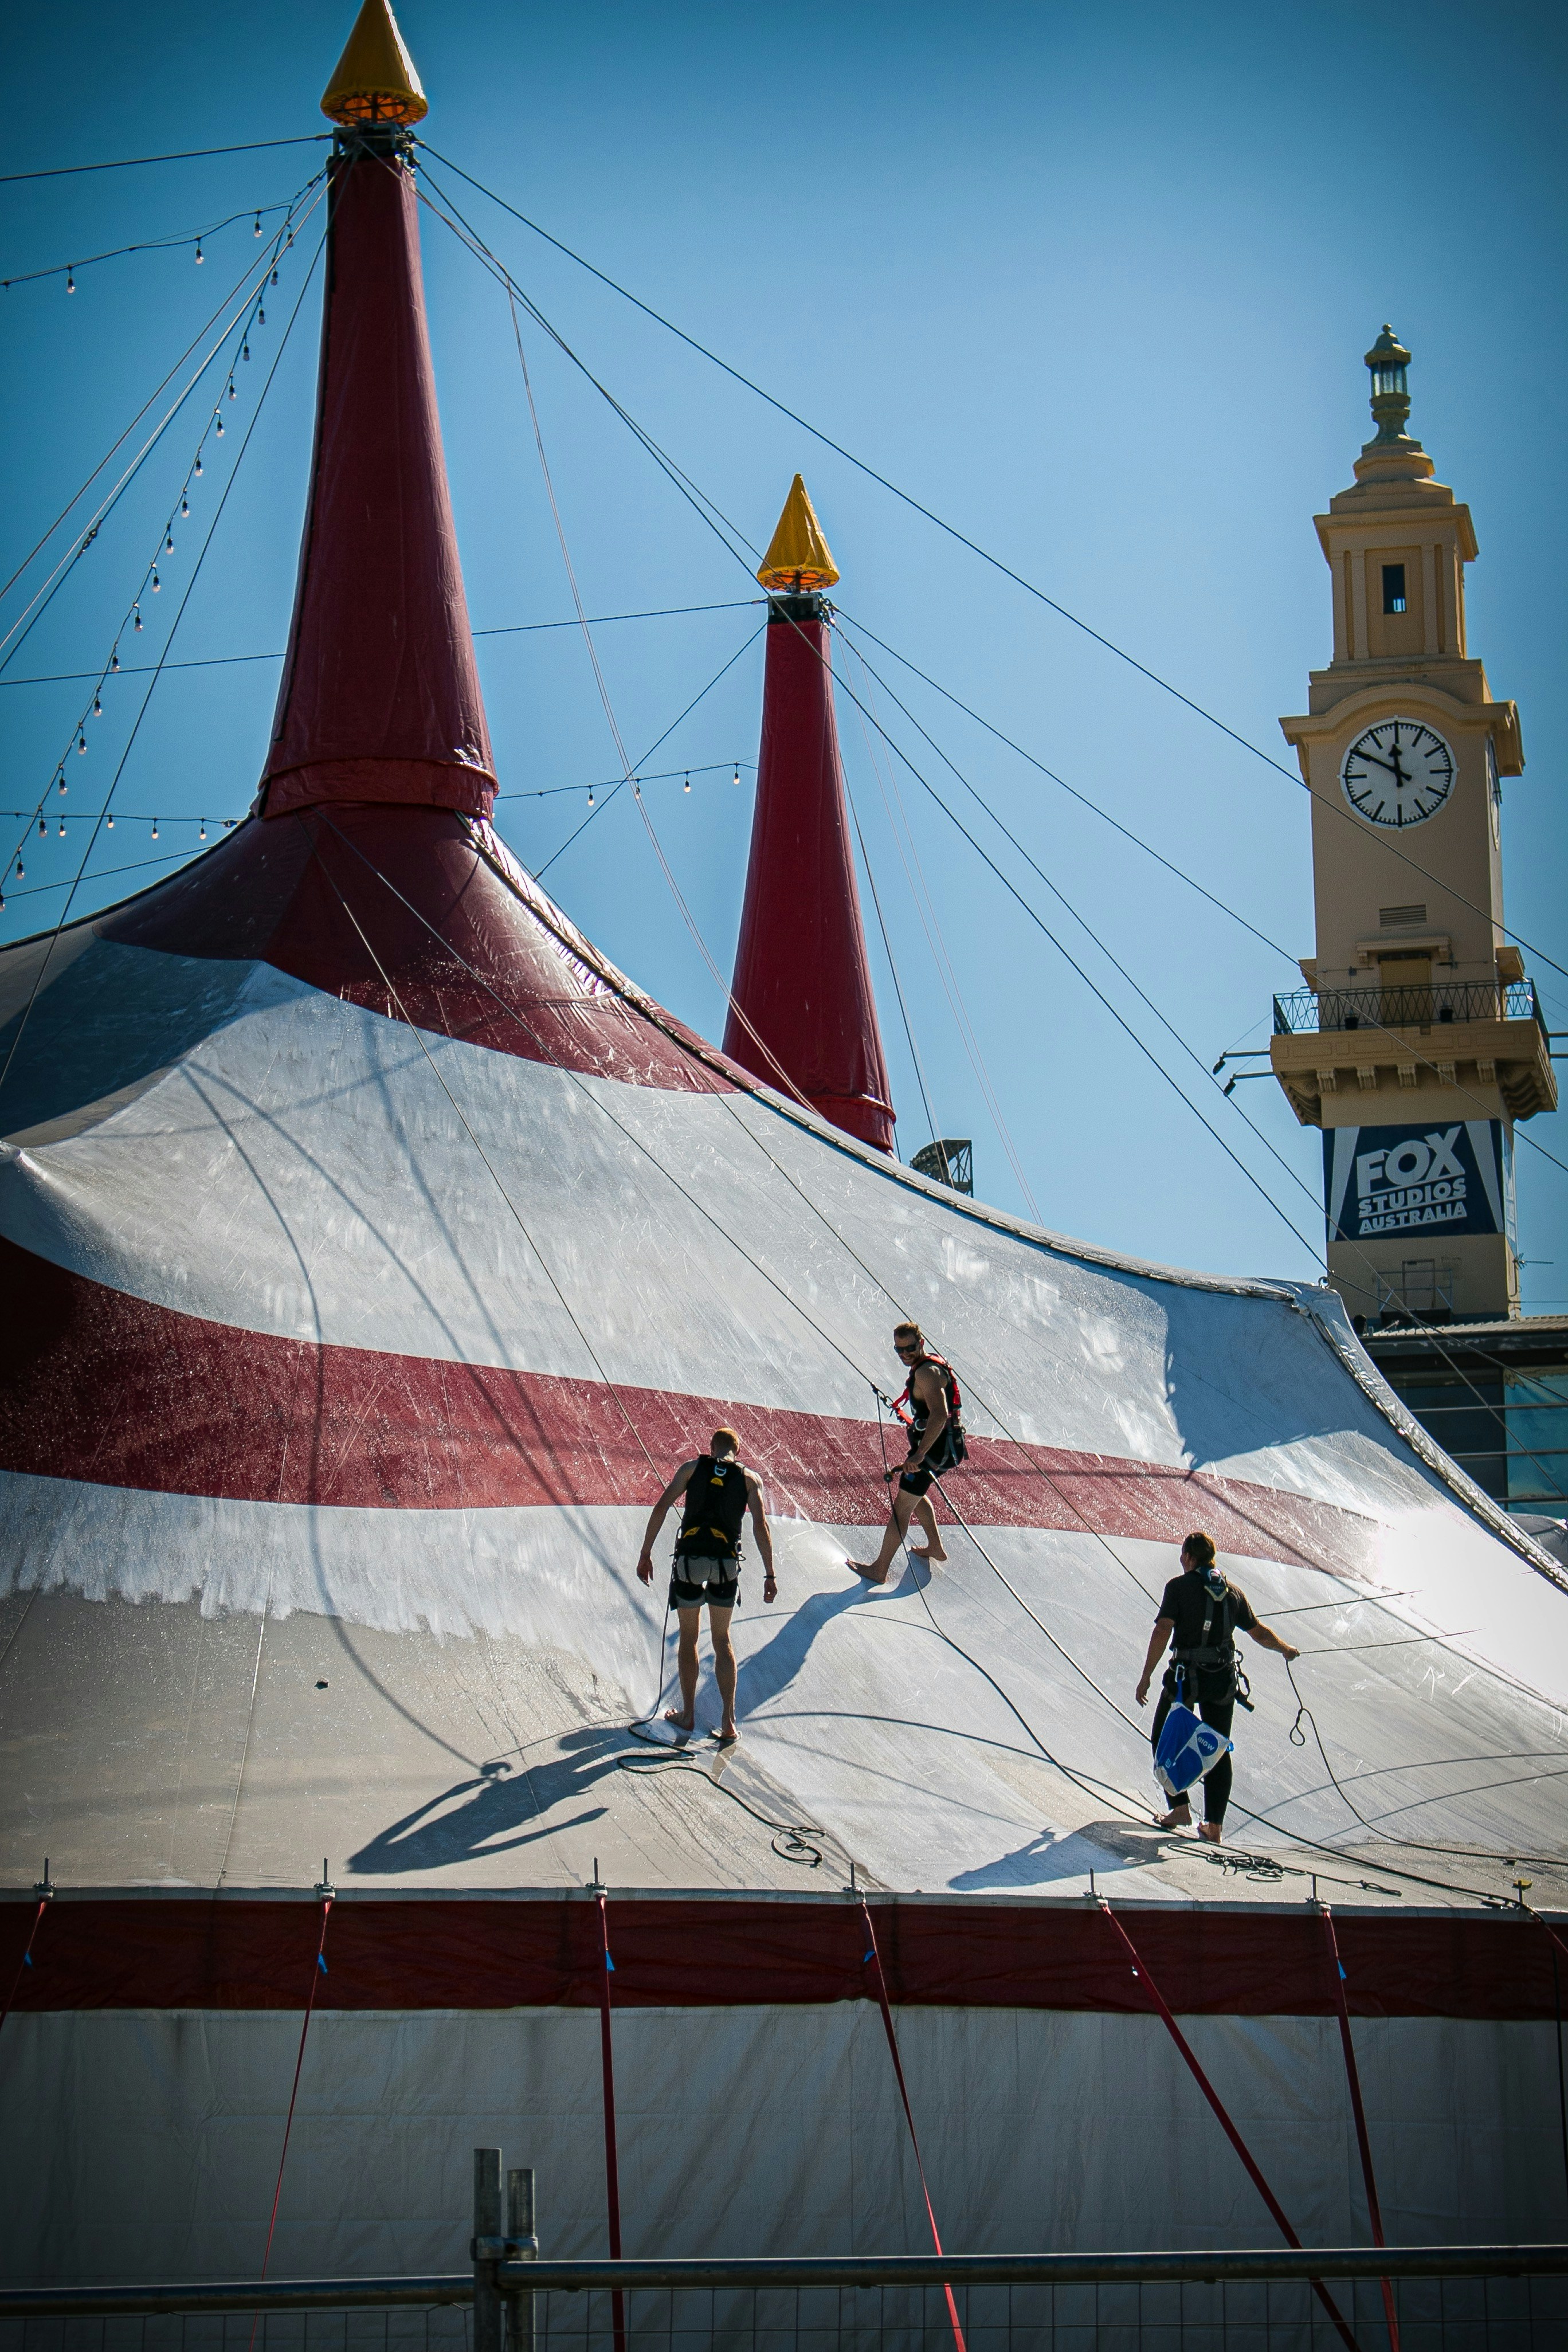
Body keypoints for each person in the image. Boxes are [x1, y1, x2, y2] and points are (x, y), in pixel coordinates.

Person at [1134, 1531, 1300, 1843]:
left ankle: (1180, 1808)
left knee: (1163, 1737)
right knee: (1217, 1748)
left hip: (1184, 1678)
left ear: (1188, 1557)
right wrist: (1285, 1648)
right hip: (1221, 1680)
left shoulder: (1178, 1587)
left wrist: (1146, 1677)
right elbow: (1259, 1632)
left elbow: (1162, 1632)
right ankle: (1214, 1827)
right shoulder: (1232, 1593)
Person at [637, 1428, 775, 1745]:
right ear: (737, 1452)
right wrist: (770, 1575)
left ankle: (688, 1715)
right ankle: (728, 1721)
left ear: (712, 1447)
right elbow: (760, 1525)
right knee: (721, 1639)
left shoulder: (692, 1469)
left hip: (690, 1561)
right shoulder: (749, 1479)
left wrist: (646, 1553)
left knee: (689, 1637)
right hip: (725, 1566)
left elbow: (661, 1508)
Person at [848, 1322, 967, 1583]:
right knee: (914, 1495)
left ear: (921, 1343)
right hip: (945, 1446)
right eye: (899, 1350)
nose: (905, 1354)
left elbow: (939, 1414)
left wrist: (920, 1454)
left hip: (935, 1450)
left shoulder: (927, 1373)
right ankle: (935, 1546)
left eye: (910, 1348)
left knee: (901, 1508)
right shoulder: (926, 1368)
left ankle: (879, 1570)